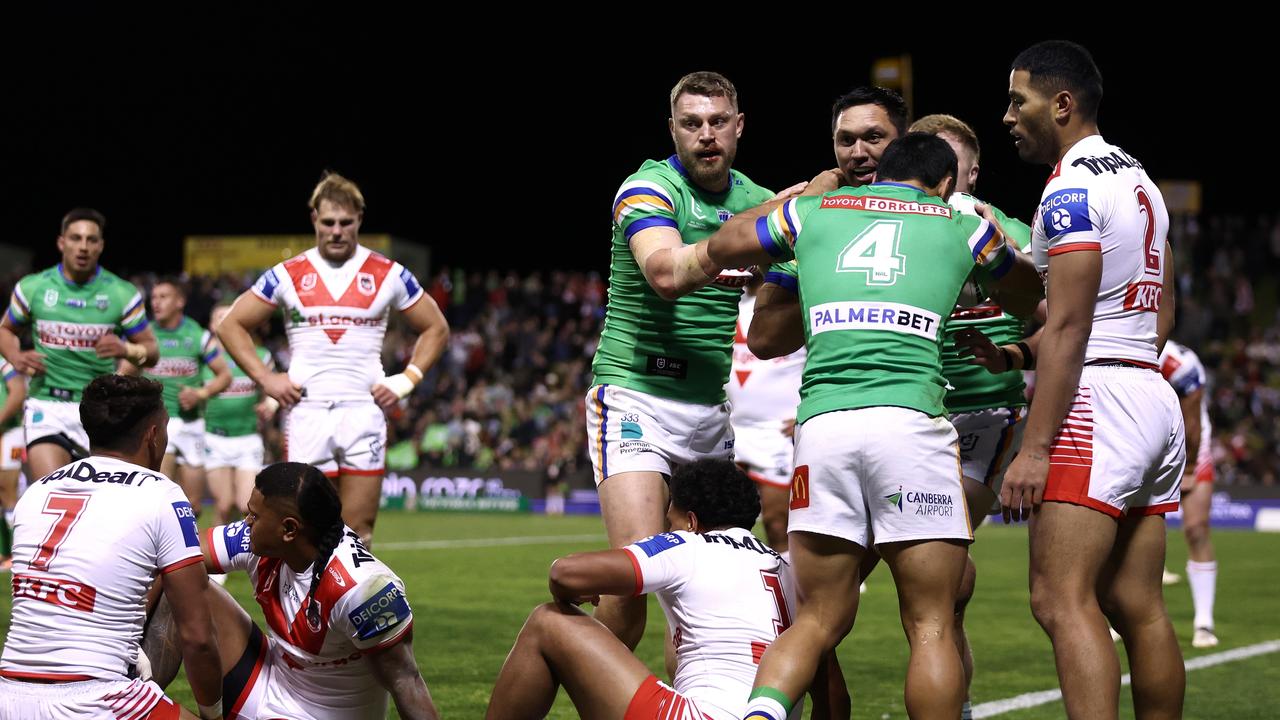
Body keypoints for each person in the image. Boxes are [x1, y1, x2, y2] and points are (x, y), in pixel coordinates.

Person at [673, 133, 1042, 720]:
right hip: (911, 428)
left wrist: (801, 199)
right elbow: (1030, 294)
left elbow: (724, 244)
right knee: (929, 624)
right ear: (946, 183)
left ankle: (760, 714)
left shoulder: (814, 212)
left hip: (823, 430)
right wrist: (987, 235)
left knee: (816, 619)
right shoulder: (961, 223)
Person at [1001, 40, 1184, 719]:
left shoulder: (1072, 186)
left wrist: (1038, 447)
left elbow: (1071, 324)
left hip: (1097, 398)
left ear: (1062, 103)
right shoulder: (1141, 181)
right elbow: (1164, 299)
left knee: (1059, 597)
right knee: (1138, 603)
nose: (1008, 115)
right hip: (1148, 390)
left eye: (1018, 100)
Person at [588, 71, 786, 647]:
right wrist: (772, 223)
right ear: (671, 129)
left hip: (708, 410)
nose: (706, 135)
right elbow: (665, 273)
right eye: (692, 123)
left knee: (708, 594)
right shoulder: (646, 189)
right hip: (634, 400)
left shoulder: (756, 203)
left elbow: (775, 327)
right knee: (630, 584)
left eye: (718, 122)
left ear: (739, 127)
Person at [486, 459, 846, 720]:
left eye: (669, 516)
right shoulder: (791, 573)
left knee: (548, 622)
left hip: (700, 716)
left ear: (690, 521)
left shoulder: (687, 545)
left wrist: (577, 590)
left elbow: (565, 574)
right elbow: (835, 699)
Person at [218, 173, 449, 544]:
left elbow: (436, 327)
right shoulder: (288, 274)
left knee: (360, 532)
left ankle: (349, 603)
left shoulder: (388, 274)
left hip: (364, 410)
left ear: (359, 218)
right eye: (328, 222)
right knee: (303, 530)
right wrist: (267, 379)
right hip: (307, 411)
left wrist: (407, 379)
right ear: (314, 220)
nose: (337, 231)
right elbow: (231, 325)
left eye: (345, 222)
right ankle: (308, 603)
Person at [911, 112, 1038, 718]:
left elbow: (1051, 312)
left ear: (973, 170)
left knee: (942, 573)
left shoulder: (1007, 229)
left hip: (988, 411)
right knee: (941, 587)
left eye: (950, 164)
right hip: (921, 417)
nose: (937, 176)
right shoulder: (909, 228)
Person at [0, 374, 223, 719]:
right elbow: (198, 636)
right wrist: (213, 713)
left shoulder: (38, 490)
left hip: (9, 693)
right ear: (153, 435)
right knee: (189, 583)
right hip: (93, 697)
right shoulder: (161, 493)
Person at [146, 462, 437, 719]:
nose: (246, 523)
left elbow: (407, 681)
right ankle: (129, 691)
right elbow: (172, 556)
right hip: (267, 681)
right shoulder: (257, 540)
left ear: (289, 530)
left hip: (322, 713)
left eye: (254, 517)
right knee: (181, 576)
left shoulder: (364, 590)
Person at [0, 208, 159, 480]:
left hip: (99, 408)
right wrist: (14, 356)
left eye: (91, 240)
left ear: (101, 245)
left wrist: (126, 350)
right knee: (52, 489)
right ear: (62, 242)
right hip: (47, 404)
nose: (83, 247)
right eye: (75, 238)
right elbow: (5, 330)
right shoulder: (34, 287)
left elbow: (152, 352)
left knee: (96, 504)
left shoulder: (121, 293)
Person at [727, 276, 803, 554]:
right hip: (731, 428)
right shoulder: (730, 304)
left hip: (776, 430)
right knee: (718, 521)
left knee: (776, 521)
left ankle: (789, 592)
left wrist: (803, 412)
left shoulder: (793, 303)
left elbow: (821, 356)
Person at [142, 278, 232, 513]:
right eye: (154, 298)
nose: (156, 303)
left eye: (163, 297)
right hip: (160, 421)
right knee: (157, 497)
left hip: (192, 423)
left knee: (194, 505)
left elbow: (225, 375)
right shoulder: (145, 336)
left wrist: (200, 394)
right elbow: (124, 370)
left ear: (179, 301)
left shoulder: (198, 335)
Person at [1159, 339, 1219, 648]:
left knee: (1196, 528)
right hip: (1143, 443)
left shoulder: (1180, 363)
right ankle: (1120, 616)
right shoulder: (1114, 346)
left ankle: (1204, 622)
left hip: (1191, 442)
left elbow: (1192, 419)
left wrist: (1191, 466)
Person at [203, 304, 275, 526]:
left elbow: (272, 389)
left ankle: (244, 557)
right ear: (212, 325)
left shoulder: (259, 355)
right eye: (219, 317)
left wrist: (270, 406)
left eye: (229, 316)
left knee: (246, 506)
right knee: (223, 506)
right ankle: (218, 558)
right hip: (214, 438)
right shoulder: (203, 359)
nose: (224, 321)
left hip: (247, 438)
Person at [0, 361, 26, 570]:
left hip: (11, 433)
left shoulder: (4, 360)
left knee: (7, 490)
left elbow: (18, 392)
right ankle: (4, 552)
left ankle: (20, 554)